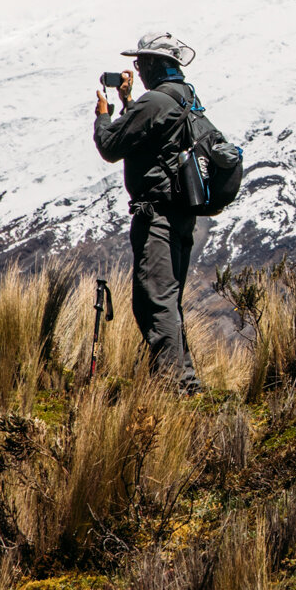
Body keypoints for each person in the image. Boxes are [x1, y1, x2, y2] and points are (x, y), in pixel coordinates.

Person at [93, 30, 208, 393]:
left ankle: (175, 390)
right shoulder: (184, 96)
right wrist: (130, 102)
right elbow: (151, 136)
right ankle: (186, 383)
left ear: (157, 64)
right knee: (167, 301)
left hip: (156, 217)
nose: (136, 68)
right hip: (180, 216)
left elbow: (111, 146)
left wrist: (104, 115)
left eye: (141, 62)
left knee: (153, 305)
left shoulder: (155, 102)